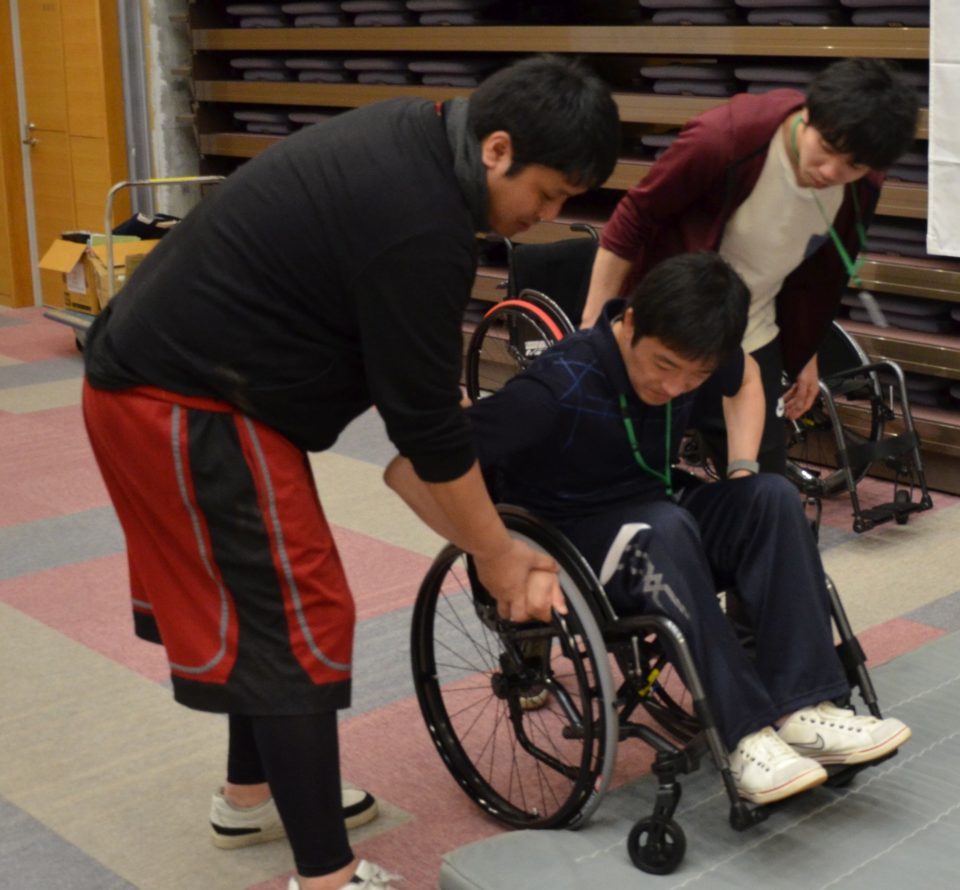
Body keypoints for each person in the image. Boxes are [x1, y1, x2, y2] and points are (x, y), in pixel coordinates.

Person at [80, 55, 620, 890]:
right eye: (546, 194)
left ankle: (251, 796)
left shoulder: (425, 136)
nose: (545, 218)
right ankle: (326, 878)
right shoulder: (423, 222)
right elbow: (425, 429)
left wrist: (473, 512)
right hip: (182, 398)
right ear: (498, 149)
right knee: (299, 612)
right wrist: (496, 554)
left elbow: (413, 402)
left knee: (263, 606)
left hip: (195, 381)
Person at [386, 252, 911, 806]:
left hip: (660, 515)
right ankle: (745, 736)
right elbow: (409, 471)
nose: (676, 386)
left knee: (771, 497)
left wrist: (741, 472)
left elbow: (746, 378)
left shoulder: (694, 352)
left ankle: (805, 708)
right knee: (665, 525)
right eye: (664, 365)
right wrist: (491, 551)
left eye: (695, 376)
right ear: (632, 322)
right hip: (572, 545)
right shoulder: (556, 387)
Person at [580, 58, 920, 474]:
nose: (831, 172)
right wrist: (593, 327)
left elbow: (814, 274)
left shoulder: (861, 185)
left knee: (760, 478)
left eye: (853, 165)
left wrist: (806, 350)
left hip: (752, 332)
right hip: (671, 327)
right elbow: (633, 218)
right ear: (809, 114)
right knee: (636, 472)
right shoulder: (726, 139)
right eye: (827, 150)